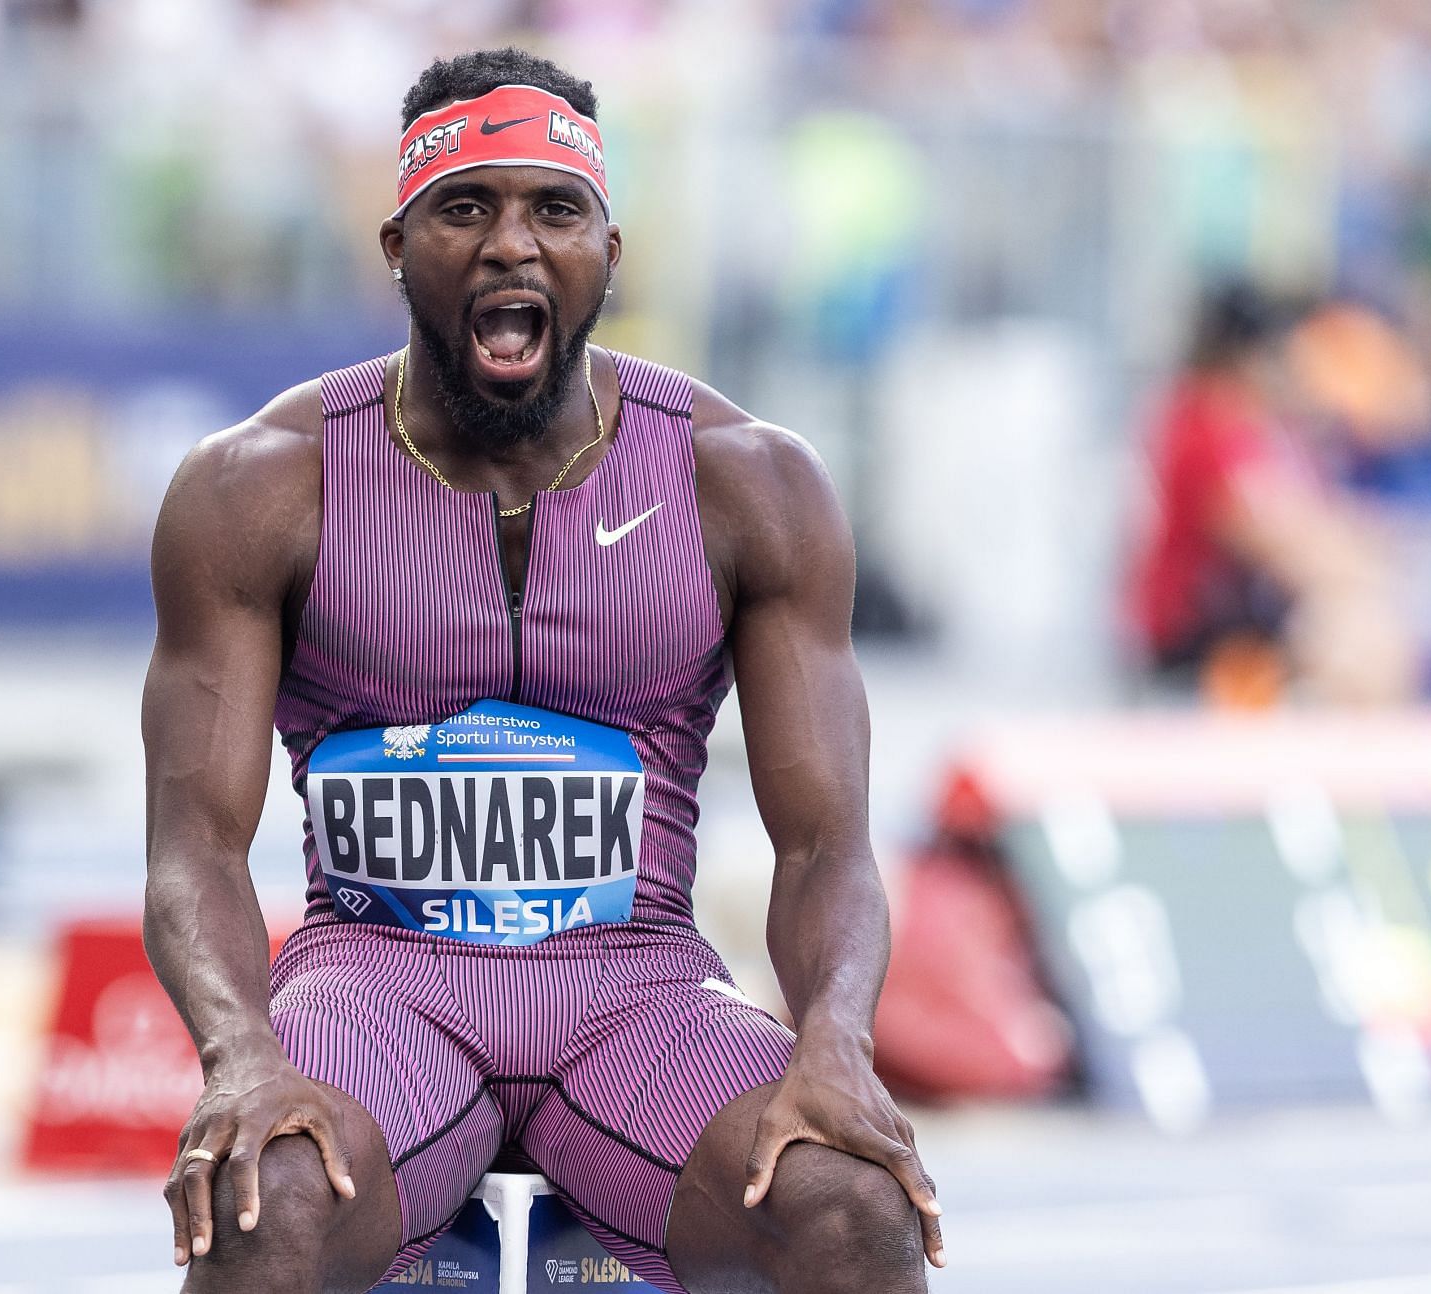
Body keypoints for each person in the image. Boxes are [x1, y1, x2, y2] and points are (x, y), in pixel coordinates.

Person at [141, 48, 940, 1293]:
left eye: (554, 211)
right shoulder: (257, 486)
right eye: (469, 208)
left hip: (638, 988)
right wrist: (242, 1054)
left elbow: (825, 848)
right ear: (398, 245)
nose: (513, 245)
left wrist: (836, 1043)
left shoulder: (749, 482)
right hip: (373, 985)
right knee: (269, 1203)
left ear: (609, 256)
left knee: (851, 1206)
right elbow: (193, 846)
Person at [1127, 284, 1421, 706]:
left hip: (1240, 625)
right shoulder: (1203, 422)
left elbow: (1306, 523)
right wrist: (1362, 565)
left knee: (1362, 618)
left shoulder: (1254, 426)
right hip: (1200, 639)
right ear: (1250, 358)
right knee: (1355, 633)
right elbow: (1276, 539)